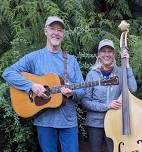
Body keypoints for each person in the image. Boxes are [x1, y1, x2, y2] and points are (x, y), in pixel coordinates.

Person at [2, 16, 84, 152]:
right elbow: (8, 72)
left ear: (63, 34)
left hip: (68, 121)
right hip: (44, 121)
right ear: (45, 31)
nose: (56, 33)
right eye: (53, 29)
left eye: (60, 30)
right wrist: (31, 85)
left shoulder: (71, 60)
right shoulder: (34, 57)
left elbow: (82, 90)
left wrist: (72, 93)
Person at [81, 39, 137, 152]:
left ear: (114, 54)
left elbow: (133, 88)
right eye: (103, 51)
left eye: (110, 51)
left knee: (114, 150)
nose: (107, 54)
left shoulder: (121, 72)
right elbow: (85, 101)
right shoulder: (92, 74)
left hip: (115, 120)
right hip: (95, 122)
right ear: (99, 54)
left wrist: (127, 65)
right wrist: (107, 106)